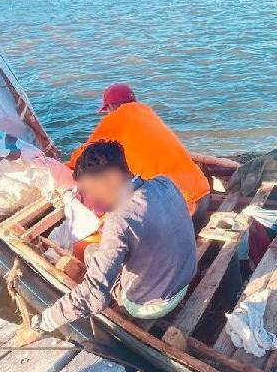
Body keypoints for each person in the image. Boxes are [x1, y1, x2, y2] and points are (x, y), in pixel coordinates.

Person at [16, 141, 196, 345]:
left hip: (149, 306)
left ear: (111, 178)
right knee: (101, 250)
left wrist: (40, 325)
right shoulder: (164, 183)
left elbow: (93, 295)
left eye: (90, 190)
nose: (91, 199)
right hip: (184, 281)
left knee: (92, 251)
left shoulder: (119, 221)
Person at [70, 83, 211, 229]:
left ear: (110, 107)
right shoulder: (147, 112)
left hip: (184, 209)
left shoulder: (115, 119)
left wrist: (67, 167)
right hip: (204, 193)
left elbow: (85, 155)